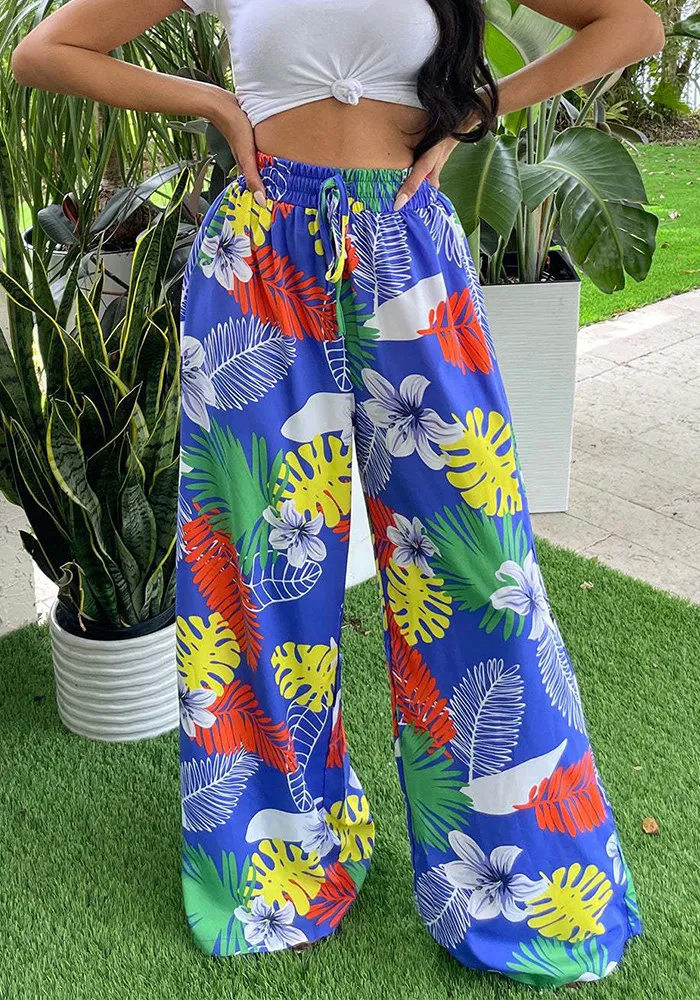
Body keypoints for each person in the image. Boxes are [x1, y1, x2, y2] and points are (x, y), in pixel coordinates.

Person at [12, 0, 664, 986]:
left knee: (482, 570)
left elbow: (631, 25)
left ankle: (529, 880)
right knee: (257, 579)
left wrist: (479, 110)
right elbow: (46, 51)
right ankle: (284, 863)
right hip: (259, 260)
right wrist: (212, 104)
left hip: (411, 255)